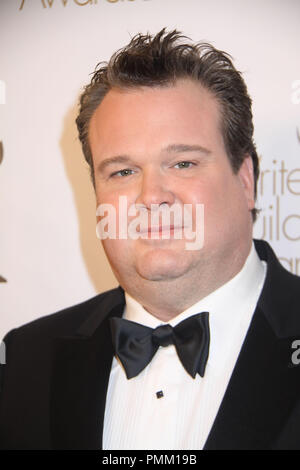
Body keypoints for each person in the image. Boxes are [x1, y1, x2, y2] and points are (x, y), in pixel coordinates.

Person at [0, 29, 300, 450]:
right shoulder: (27, 360)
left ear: (246, 179)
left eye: (182, 162)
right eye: (122, 171)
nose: (151, 197)